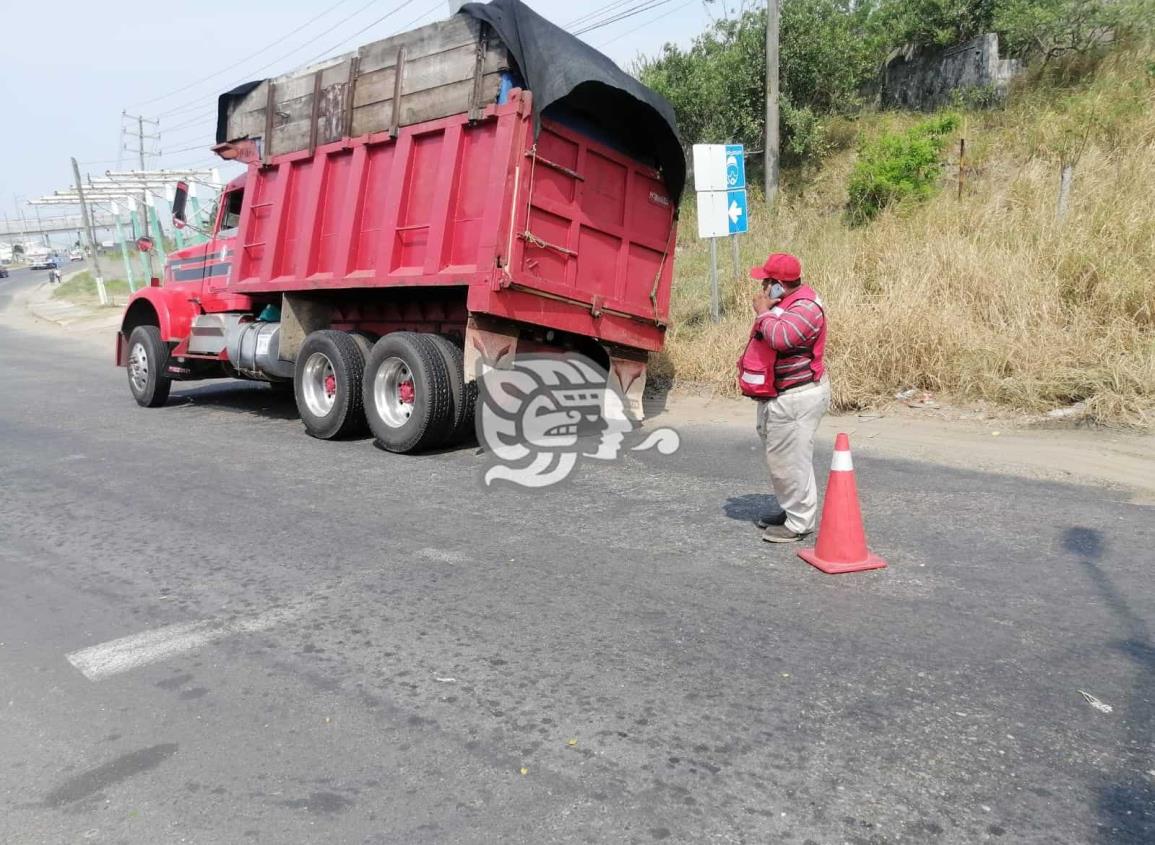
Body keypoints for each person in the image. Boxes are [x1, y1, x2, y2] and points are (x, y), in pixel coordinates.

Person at [739, 252, 831, 543]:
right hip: (781, 395)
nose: (763, 286)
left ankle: (799, 523)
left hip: (798, 397)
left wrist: (763, 312)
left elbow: (781, 337)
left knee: (791, 462)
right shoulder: (787, 303)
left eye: (767, 281)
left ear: (778, 284)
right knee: (784, 460)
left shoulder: (806, 307)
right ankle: (793, 510)